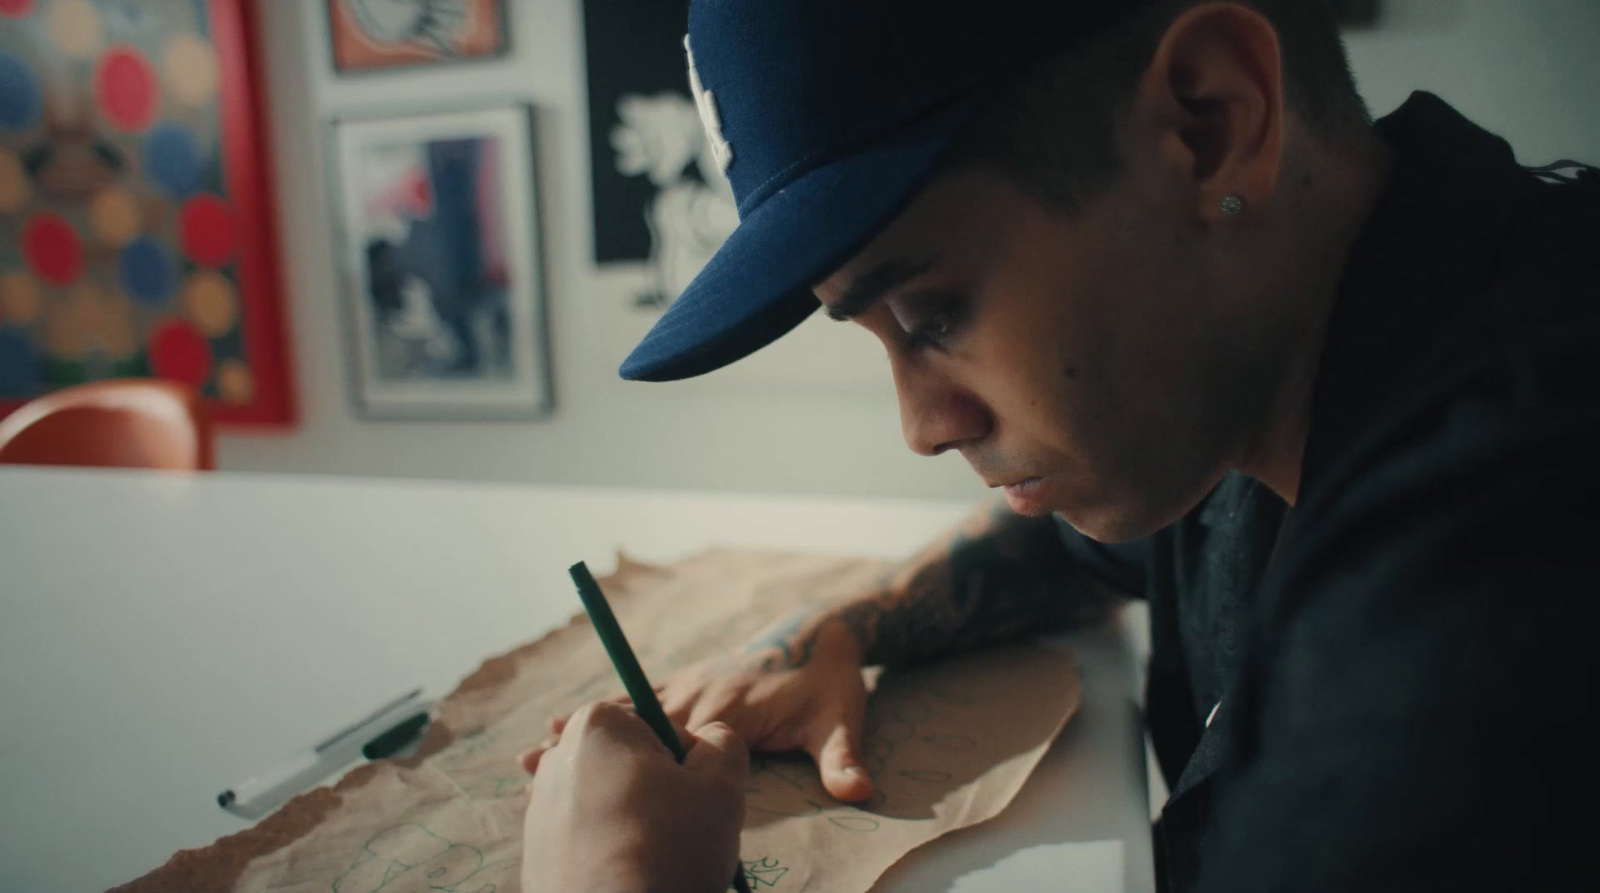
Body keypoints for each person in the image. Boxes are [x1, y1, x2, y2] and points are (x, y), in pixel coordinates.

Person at [519, 1, 1600, 891]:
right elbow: (1058, 546)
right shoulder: (1265, 386)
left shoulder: (1494, 578)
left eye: (935, 312)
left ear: (1209, 121)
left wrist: (616, 877)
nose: (921, 426)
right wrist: (828, 632)